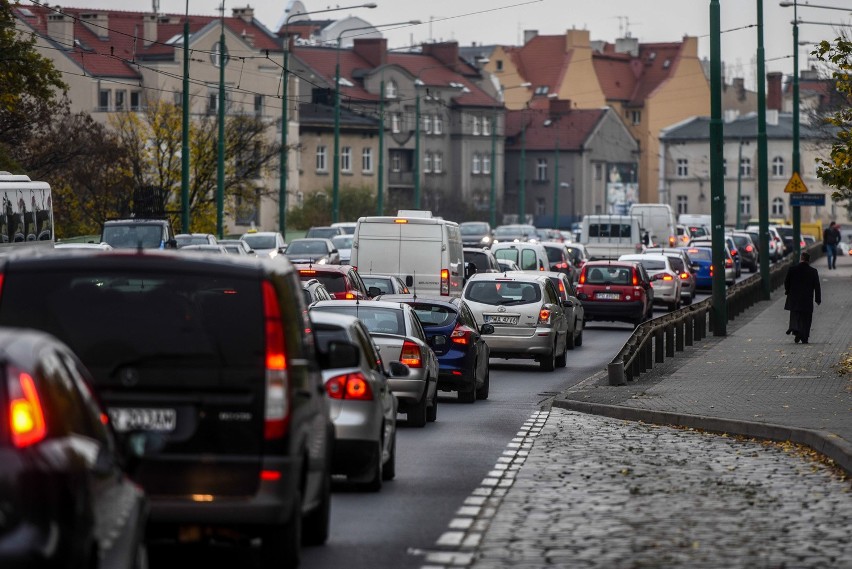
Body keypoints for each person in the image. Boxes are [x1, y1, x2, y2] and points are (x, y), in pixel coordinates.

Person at [784, 251, 821, 344]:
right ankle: (805, 337)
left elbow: (786, 282)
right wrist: (818, 298)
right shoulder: (813, 271)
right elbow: (817, 286)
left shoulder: (792, 269)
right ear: (808, 260)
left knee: (795, 315)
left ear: (801, 259)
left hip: (794, 298)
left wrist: (787, 291)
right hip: (807, 299)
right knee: (807, 318)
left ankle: (795, 329)